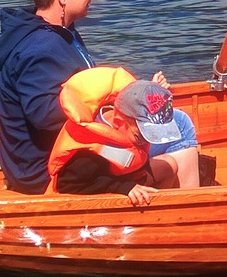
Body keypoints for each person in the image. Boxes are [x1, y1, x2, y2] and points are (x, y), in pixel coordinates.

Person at [0, 0, 200, 193]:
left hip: (70, 151)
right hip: (50, 170)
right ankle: (189, 206)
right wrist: (125, 113)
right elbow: (47, 117)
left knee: (174, 121)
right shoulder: (39, 49)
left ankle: (174, 193)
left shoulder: (59, 31)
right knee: (180, 128)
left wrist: (139, 95)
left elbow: (84, 92)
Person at [46, 68, 190, 207]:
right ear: (118, 123)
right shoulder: (93, 151)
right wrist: (123, 187)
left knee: (169, 166)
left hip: (123, 178)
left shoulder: (122, 120)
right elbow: (67, 185)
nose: (147, 142)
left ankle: (158, 216)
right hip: (81, 202)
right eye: (141, 137)